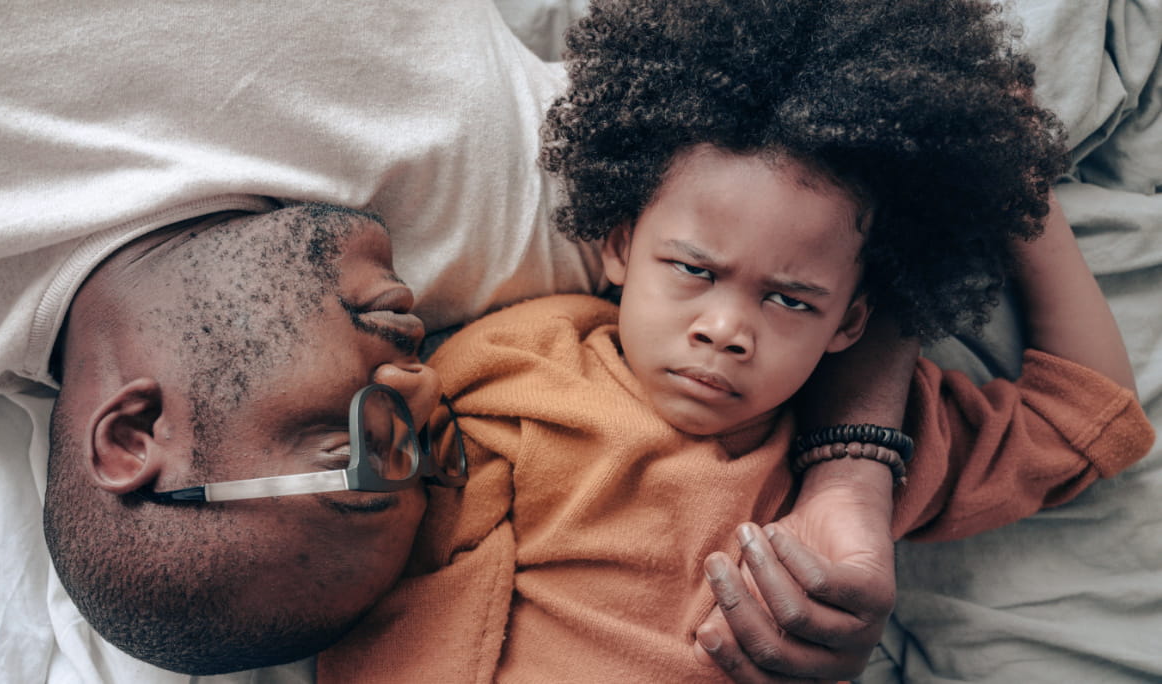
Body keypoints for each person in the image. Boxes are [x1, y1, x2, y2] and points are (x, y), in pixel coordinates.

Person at [311, 0, 1155, 681]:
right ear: (618, 246)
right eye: (693, 270)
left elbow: (1085, 416)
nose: (726, 330)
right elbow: (401, 534)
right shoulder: (520, 360)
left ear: (850, 323)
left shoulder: (863, 452)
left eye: (790, 299)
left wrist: (1024, 192)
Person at [40, 200, 920, 677]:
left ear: (135, 434)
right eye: (427, 451)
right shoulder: (550, 224)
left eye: (352, 454)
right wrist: (853, 472)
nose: (423, 385)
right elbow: (849, 219)